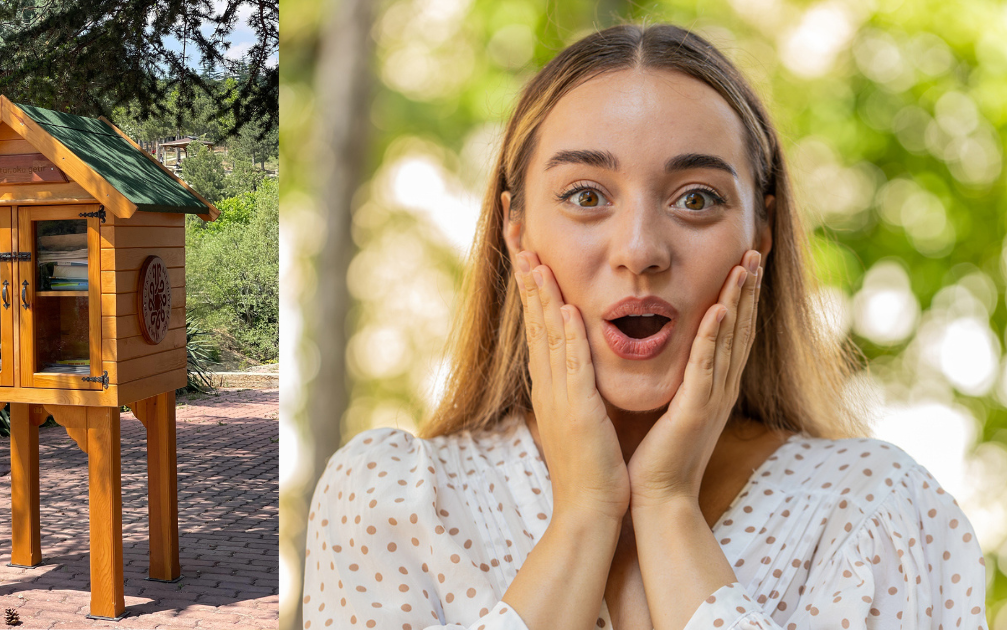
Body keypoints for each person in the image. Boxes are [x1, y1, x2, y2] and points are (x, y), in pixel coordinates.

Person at [302, 23, 987, 630]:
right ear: (516, 230)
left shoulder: (881, 513)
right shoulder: (390, 501)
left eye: (697, 199)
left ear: (764, 230)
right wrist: (585, 513)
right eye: (586, 196)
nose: (639, 249)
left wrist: (667, 507)